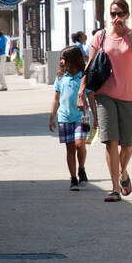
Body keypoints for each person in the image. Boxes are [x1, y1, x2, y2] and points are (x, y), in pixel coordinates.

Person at [80, 0, 132, 202]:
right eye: (112, 14)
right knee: (111, 141)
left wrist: (126, 32)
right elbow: (89, 66)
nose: (115, 17)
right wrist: (82, 92)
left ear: (126, 15)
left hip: (128, 95)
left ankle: (123, 172)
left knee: (128, 144)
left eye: (119, 14)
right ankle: (115, 187)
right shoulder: (100, 37)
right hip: (104, 95)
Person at [49, 46, 94, 191]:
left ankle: (81, 168)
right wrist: (52, 116)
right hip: (64, 117)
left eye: (64, 59)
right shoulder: (61, 77)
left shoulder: (83, 77)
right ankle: (73, 178)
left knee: (80, 144)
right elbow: (56, 98)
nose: (61, 62)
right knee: (70, 149)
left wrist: (96, 117)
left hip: (82, 117)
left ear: (73, 61)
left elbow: (91, 97)